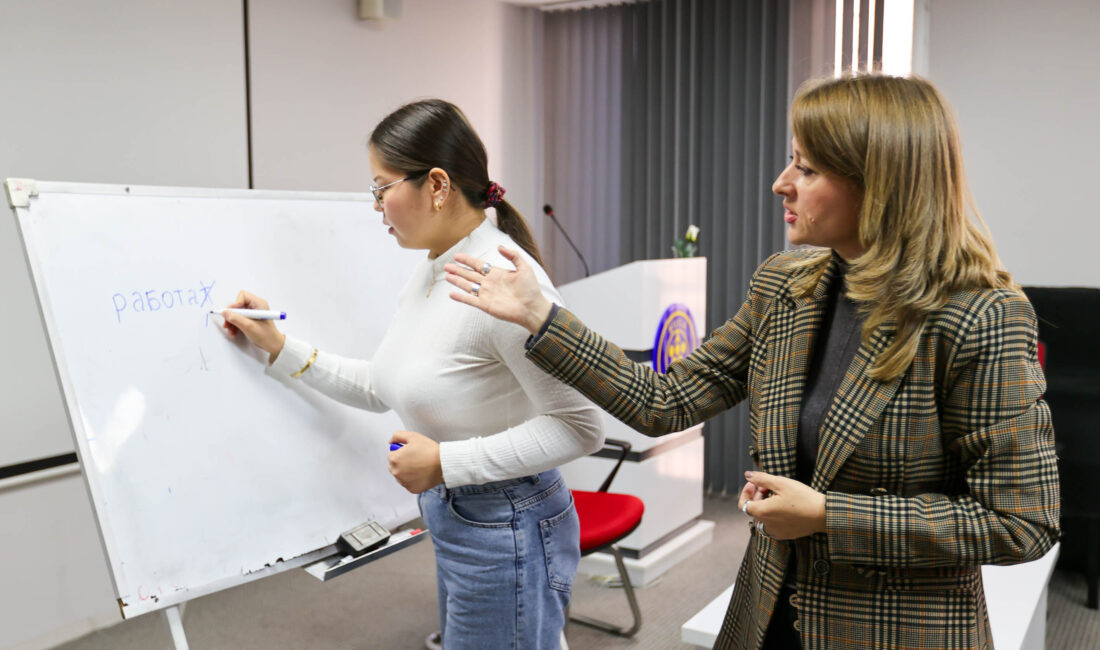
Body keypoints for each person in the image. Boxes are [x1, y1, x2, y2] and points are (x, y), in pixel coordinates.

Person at [443, 74, 1060, 650]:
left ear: (879, 183)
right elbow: (666, 402)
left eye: (807, 167)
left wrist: (827, 515)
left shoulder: (982, 317)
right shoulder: (785, 285)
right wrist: (543, 319)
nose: (781, 183)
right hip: (767, 614)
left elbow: (1020, 521)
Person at [220, 99, 602, 650]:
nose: (376, 206)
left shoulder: (502, 279)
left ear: (438, 185)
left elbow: (580, 425)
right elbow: (382, 385)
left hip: (507, 519)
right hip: (464, 513)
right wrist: (280, 346)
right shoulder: (435, 267)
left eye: (382, 188)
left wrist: (446, 461)